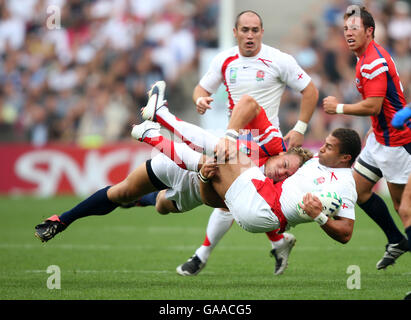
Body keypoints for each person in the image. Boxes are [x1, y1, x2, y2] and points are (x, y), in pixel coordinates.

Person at [176, 10, 319, 275]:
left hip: (267, 144)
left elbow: (310, 90)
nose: (250, 35)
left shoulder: (279, 60)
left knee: (231, 200)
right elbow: (201, 89)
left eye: (255, 30)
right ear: (235, 32)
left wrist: (300, 128)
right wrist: (199, 100)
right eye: (245, 30)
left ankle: (201, 256)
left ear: (262, 32)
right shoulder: (224, 59)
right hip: (236, 141)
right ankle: (278, 241)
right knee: (233, 200)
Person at [323, 5, 411, 270]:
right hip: (379, 138)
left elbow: (373, 105)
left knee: (403, 209)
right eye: (346, 29)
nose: (349, 33)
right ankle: (396, 240)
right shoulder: (364, 57)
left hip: (397, 143)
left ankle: (401, 239)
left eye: (355, 29)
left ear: (369, 31)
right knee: (358, 190)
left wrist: (338, 108)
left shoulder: (373, 61)